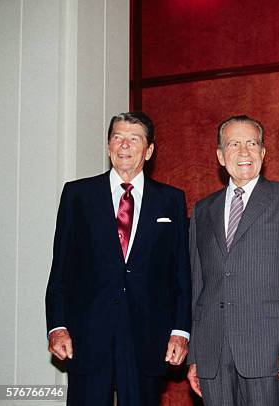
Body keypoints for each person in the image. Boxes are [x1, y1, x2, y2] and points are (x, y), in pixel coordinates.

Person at [45, 112, 191, 405]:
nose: (124, 145)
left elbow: (181, 273)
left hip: (148, 337)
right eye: (117, 137)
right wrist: (57, 325)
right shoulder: (78, 195)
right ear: (109, 145)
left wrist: (180, 331)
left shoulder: (171, 200)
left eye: (134, 139)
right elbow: (60, 268)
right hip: (87, 335)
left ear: (149, 150)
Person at [186, 115, 279, 405]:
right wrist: (195, 354)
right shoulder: (202, 210)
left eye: (252, 143)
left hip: (269, 351)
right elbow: (197, 286)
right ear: (221, 156)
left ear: (263, 152)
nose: (243, 152)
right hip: (213, 353)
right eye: (233, 144)